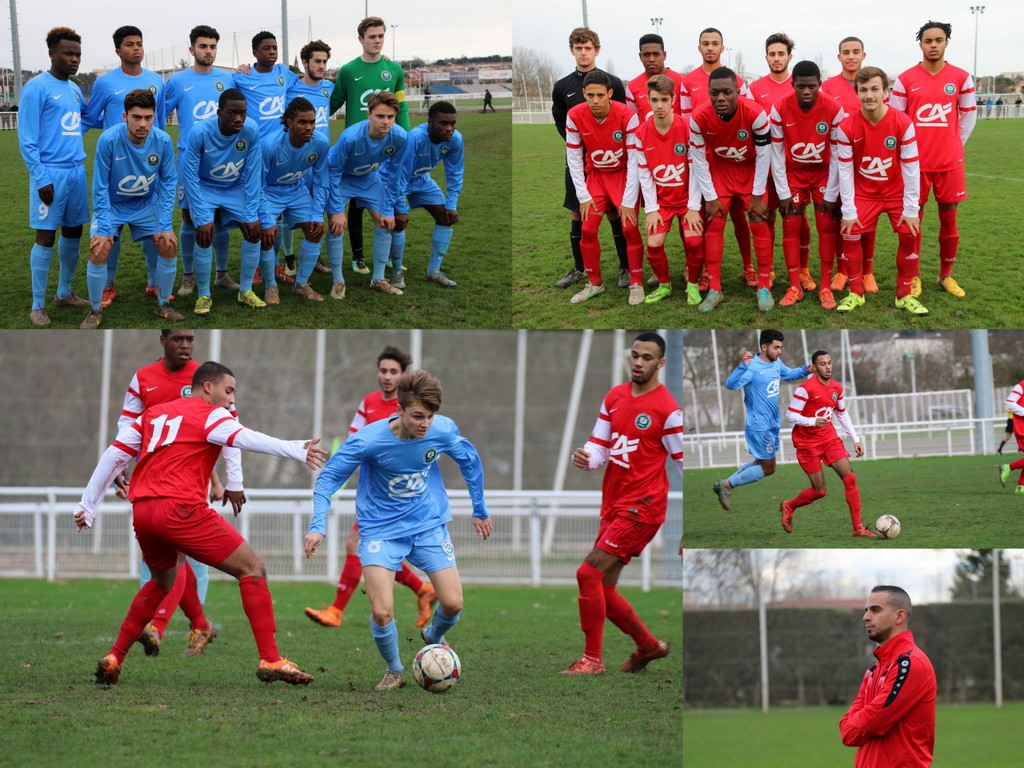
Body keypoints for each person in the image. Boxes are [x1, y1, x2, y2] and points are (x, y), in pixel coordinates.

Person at [75, 361, 329, 686]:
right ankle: (271, 659)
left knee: (161, 582)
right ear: (207, 387)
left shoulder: (154, 414)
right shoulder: (211, 415)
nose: (231, 400)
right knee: (252, 569)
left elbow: (114, 455)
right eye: (228, 390)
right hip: (181, 509)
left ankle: (114, 658)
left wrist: (88, 505)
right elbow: (248, 438)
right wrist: (296, 448)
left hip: (144, 512)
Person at [304, 370, 492, 691]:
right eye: (418, 416)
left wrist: (480, 509)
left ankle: (432, 637)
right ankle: (395, 670)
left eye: (430, 417)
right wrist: (317, 525)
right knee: (381, 611)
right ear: (399, 410)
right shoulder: (368, 441)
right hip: (380, 531)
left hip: (426, 525)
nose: (425, 424)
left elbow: (470, 461)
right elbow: (328, 480)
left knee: (453, 604)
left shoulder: (441, 430)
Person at [561, 332, 683, 676]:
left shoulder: (669, 411)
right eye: (635, 356)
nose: (638, 363)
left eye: (647, 358)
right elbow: (601, 445)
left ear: (661, 364)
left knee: (587, 573)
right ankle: (648, 646)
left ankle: (592, 660)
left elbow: (685, 465)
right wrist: (586, 456)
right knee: (603, 586)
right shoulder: (614, 397)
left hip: (643, 507)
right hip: (614, 503)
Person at [114, 329, 238, 656]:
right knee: (166, 559)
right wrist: (118, 468)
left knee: (176, 555)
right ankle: (200, 624)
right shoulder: (143, 378)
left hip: (186, 482)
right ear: (162, 340)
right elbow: (128, 429)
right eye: (178, 339)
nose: (185, 345)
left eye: (190, 339)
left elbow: (220, 432)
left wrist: (219, 480)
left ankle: (158, 626)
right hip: (150, 479)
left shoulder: (206, 380)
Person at [304, 346, 439, 629]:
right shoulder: (368, 402)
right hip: (374, 493)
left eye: (394, 372)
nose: (387, 377)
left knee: (360, 546)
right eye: (383, 370)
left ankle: (337, 611)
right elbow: (356, 440)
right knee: (362, 547)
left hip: (400, 496)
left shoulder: (411, 408)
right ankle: (422, 590)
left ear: (404, 376)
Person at [889, 21, 976, 300]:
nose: (934, 45)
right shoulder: (906, 79)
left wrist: (952, 145)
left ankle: (945, 276)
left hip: (949, 163)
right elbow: (896, 120)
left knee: (949, 220)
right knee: (913, 221)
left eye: (939, 40)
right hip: (915, 166)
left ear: (946, 42)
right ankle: (913, 276)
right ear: (921, 44)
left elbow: (968, 118)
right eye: (928, 41)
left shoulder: (962, 77)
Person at [82, 26, 167, 309]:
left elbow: (161, 119)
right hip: (115, 162)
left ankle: (155, 282)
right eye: (129, 44)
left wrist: (154, 149)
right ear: (118, 50)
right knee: (109, 237)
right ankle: (107, 285)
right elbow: (92, 116)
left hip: (147, 162)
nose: (136, 48)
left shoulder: (156, 80)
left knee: (152, 232)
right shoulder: (105, 83)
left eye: (140, 43)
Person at [830, 67, 923, 316]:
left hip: (895, 193)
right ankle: (855, 293)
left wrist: (911, 208)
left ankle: (904, 295)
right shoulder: (847, 126)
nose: (869, 95)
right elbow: (845, 172)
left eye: (874, 89)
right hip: (864, 193)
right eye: (863, 90)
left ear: (886, 92)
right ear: (856, 93)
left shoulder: (903, 122)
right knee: (850, 232)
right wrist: (848, 210)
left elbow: (912, 168)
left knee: (910, 234)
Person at [87, 89, 180, 328]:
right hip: (112, 206)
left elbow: (169, 182)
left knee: (168, 244)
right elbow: (99, 187)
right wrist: (104, 229)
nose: (143, 124)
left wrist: (165, 225)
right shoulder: (108, 140)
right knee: (99, 248)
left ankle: (163, 305)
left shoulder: (163, 141)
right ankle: (95, 310)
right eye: (136, 117)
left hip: (146, 204)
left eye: (148, 117)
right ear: (124, 116)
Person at [17, 26, 90, 328]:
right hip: (51, 172)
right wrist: (40, 177)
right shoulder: (36, 88)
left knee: (74, 231)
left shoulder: (74, 88)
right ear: (52, 54)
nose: (74, 59)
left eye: (78, 54)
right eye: (68, 53)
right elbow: (27, 138)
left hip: (76, 169)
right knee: (46, 235)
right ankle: (38, 304)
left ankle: (64, 292)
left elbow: (77, 123)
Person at [686, 67, 773, 312]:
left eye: (726, 92)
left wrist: (757, 195)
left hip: (749, 169)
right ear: (708, 93)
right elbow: (699, 159)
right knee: (714, 221)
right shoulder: (698, 117)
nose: (720, 98)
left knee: (758, 218)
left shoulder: (755, 113)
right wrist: (710, 197)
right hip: (720, 170)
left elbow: (764, 155)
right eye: (715, 93)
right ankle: (715, 289)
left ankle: (764, 286)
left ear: (738, 92)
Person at [329, 17, 411, 277]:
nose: (377, 40)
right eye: (372, 36)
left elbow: (402, 105)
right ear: (361, 39)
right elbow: (333, 102)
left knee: (387, 196)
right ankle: (358, 256)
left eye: (380, 36)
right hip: (354, 146)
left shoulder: (394, 70)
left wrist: (404, 135)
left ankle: (383, 256)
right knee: (355, 204)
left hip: (384, 146)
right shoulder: (348, 71)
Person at [163, 25, 240, 298]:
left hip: (223, 157)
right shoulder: (176, 81)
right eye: (203, 46)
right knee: (189, 217)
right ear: (191, 49)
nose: (208, 51)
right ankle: (188, 277)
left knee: (220, 216)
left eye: (212, 46)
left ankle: (222, 274)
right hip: (190, 158)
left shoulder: (229, 79)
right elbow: (160, 119)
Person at [551, 27, 628, 290]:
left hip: (610, 163)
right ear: (572, 50)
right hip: (578, 161)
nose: (583, 53)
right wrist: (582, 147)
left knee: (616, 213)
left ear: (597, 50)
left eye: (588, 48)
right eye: (578, 48)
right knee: (577, 213)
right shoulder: (562, 86)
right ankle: (580, 269)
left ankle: (625, 268)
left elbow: (619, 120)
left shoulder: (614, 83)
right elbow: (561, 123)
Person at [682, 28, 756, 289]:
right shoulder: (688, 81)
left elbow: (745, 116)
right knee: (709, 216)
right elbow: (685, 121)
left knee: (739, 217)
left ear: (723, 47)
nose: (710, 47)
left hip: (735, 160)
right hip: (705, 162)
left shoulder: (737, 80)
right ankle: (705, 271)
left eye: (715, 43)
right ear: (699, 47)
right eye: (705, 43)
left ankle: (749, 267)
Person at [179, 88, 265, 315]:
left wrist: (251, 212)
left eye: (243, 113)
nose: (238, 118)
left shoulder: (251, 131)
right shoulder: (200, 132)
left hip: (234, 187)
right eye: (232, 113)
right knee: (205, 233)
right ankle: (204, 295)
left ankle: (245, 290)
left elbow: (254, 173)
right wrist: (201, 216)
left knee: (253, 229)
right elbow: (190, 176)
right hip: (204, 186)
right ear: (219, 112)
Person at [564, 70, 645, 306]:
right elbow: (574, 157)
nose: (595, 100)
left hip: (622, 177)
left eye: (600, 95)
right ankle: (595, 283)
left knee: (629, 228)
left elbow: (634, 160)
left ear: (610, 93)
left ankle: (636, 282)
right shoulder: (574, 115)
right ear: (583, 94)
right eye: (590, 95)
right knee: (587, 229)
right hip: (596, 177)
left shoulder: (627, 115)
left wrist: (629, 199)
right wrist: (584, 195)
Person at [769, 60, 845, 309]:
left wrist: (833, 192)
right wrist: (782, 191)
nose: (806, 92)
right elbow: (777, 153)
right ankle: (794, 286)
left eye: (811, 86)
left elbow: (837, 153)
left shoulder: (834, 109)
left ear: (819, 85)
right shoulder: (780, 108)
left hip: (823, 174)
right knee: (791, 225)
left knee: (826, 226)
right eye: (801, 86)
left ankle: (825, 286)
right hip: (794, 174)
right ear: (792, 84)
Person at [626, 73, 704, 304]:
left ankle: (692, 286)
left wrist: (692, 206)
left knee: (693, 242)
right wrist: (651, 208)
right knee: (654, 244)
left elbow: (697, 170)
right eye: (654, 100)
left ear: (673, 99)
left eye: (664, 100)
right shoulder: (640, 133)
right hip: (661, 202)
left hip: (687, 199)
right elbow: (645, 174)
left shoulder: (687, 128)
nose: (659, 105)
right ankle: (664, 285)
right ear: (648, 100)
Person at [780, 350, 875, 537]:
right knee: (820, 491)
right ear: (814, 368)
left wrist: (855, 439)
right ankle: (789, 505)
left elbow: (841, 413)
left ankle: (858, 528)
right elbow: (790, 414)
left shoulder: (837, 388)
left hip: (829, 439)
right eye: (823, 364)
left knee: (850, 479)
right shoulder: (805, 388)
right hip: (807, 444)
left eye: (830, 363)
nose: (828, 367)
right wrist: (812, 422)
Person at [839, 586, 936, 767]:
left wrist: (857, 724)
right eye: (866, 610)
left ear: (899, 616)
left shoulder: (910, 664)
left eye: (875, 610)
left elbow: (867, 724)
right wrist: (856, 724)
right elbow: (847, 732)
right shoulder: (874, 671)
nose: (866, 617)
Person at [713, 329, 810, 510]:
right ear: (764, 347)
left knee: (760, 463)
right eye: (776, 347)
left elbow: (788, 374)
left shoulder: (776, 363)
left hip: (772, 424)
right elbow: (730, 385)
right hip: (760, 426)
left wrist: (806, 370)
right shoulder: (752, 366)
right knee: (768, 468)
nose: (779, 351)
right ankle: (727, 485)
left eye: (780, 347)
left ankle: (726, 484)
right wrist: (743, 366)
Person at [750, 32, 816, 295]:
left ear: (790, 57)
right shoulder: (754, 89)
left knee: (800, 222)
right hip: (764, 168)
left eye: (781, 54)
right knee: (765, 220)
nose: (776, 58)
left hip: (793, 168)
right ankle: (769, 269)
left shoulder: (800, 85)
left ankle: (803, 270)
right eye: (772, 54)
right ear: (766, 57)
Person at [233, 31, 298, 293]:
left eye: (275, 48)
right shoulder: (242, 77)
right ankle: (258, 267)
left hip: (281, 152)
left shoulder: (284, 73)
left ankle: (273, 264)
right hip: (254, 152)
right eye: (266, 48)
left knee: (278, 211)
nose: (272, 52)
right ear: (255, 53)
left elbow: (304, 81)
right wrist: (239, 68)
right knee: (258, 209)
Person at [325, 91, 408, 295]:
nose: (386, 122)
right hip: (342, 179)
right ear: (369, 114)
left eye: (390, 117)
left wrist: (389, 209)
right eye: (380, 116)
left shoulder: (399, 137)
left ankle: (378, 278)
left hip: (369, 179)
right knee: (336, 227)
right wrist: (336, 210)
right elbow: (333, 170)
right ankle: (338, 280)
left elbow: (395, 176)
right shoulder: (351, 137)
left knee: (385, 223)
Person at [258, 97, 330, 303]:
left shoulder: (320, 143)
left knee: (315, 230)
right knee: (267, 235)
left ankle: (301, 284)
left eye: (312, 122)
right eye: (302, 122)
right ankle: (271, 285)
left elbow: (321, 181)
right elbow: (257, 186)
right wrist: (265, 219)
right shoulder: (269, 145)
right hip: (269, 192)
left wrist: (317, 214)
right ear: (289, 123)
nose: (309, 127)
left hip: (297, 191)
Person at [820, 36, 874, 292]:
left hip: (870, 164)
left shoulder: (873, 84)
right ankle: (842, 270)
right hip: (838, 163)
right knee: (840, 216)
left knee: (867, 219)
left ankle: (867, 272)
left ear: (864, 55)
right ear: (839, 57)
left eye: (856, 52)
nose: (851, 56)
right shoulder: (828, 87)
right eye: (846, 52)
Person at [391, 101, 464, 288]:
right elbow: (400, 175)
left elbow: (455, 174)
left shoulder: (455, 140)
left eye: (453, 123)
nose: (449, 129)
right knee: (398, 223)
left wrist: (452, 204)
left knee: (445, 218)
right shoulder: (415, 138)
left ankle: (434, 271)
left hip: (421, 180)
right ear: (430, 122)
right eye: (443, 123)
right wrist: (400, 208)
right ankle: (396, 273)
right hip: (396, 181)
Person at [278, 40, 335, 280]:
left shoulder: (329, 88)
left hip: (320, 159)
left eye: (325, 61)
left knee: (317, 210)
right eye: (317, 61)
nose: (322, 66)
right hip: (293, 159)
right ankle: (289, 258)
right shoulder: (289, 86)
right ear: (305, 62)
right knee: (283, 213)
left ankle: (316, 255)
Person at [625, 34, 688, 123]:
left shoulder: (682, 82)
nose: (651, 59)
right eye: (646, 55)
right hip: (646, 136)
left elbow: (688, 117)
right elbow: (633, 121)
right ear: (640, 57)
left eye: (656, 54)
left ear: (664, 55)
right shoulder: (632, 87)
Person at [999, 380, 1024, 494]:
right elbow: (1009, 403)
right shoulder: (1021, 386)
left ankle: (1020, 487)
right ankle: (1008, 467)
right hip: (1022, 427)